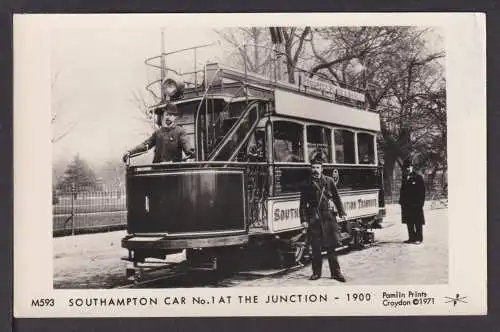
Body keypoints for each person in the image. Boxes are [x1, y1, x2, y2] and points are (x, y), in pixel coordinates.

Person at [299, 155, 347, 281]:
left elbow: (336, 197)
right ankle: (316, 273)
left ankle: (336, 273)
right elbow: (302, 204)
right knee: (316, 249)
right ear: (311, 169)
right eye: (313, 167)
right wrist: (303, 220)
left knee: (331, 248)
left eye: (317, 167)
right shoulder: (306, 184)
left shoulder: (329, 181)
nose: (315, 170)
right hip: (314, 218)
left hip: (328, 218)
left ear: (322, 169)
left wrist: (342, 212)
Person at [122, 103, 195, 164]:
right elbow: (145, 145)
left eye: (171, 115)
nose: (168, 117)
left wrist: (190, 152)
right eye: (166, 114)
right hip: (157, 170)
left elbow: (186, 145)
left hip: (173, 171)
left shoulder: (180, 132)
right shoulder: (158, 133)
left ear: (175, 117)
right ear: (163, 116)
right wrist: (130, 153)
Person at [399, 158, 426, 244]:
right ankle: (411, 238)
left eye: (409, 167)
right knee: (409, 222)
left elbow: (422, 191)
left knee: (417, 222)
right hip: (407, 205)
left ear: (412, 167)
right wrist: (401, 202)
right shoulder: (404, 178)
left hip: (416, 204)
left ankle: (419, 238)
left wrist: (421, 203)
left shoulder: (418, 177)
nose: (407, 168)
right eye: (406, 167)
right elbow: (402, 191)